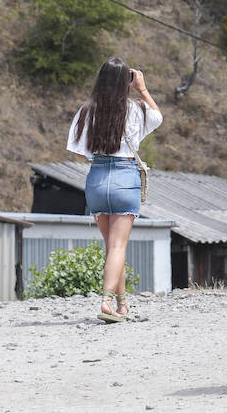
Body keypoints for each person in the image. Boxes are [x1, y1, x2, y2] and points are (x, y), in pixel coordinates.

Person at [67, 57, 162, 322]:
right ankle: (106, 300)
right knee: (119, 246)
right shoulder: (136, 110)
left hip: (97, 178)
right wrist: (142, 88)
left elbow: (77, 152)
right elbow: (158, 116)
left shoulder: (87, 110)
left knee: (112, 247)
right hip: (125, 176)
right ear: (126, 82)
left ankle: (122, 305)